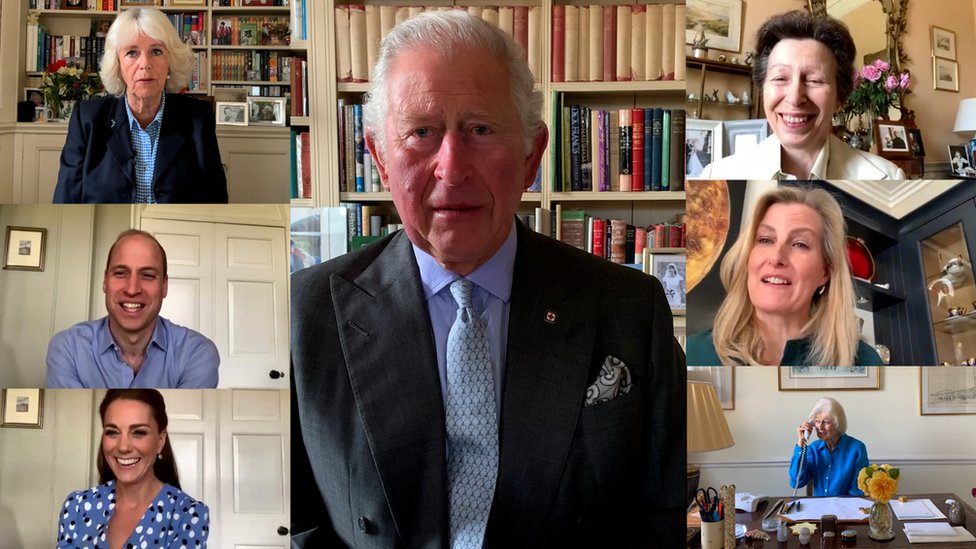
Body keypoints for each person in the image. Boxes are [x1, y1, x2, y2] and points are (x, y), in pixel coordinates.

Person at [290, 11, 684, 547]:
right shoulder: (303, 312)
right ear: (381, 159)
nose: (452, 167)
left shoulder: (630, 308)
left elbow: (657, 517)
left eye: (480, 129)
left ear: (531, 156)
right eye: (422, 132)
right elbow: (299, 524)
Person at [687, 186, 883, 366]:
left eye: (800, 244)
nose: (776, 257)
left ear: (825, 272)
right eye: (765, 239)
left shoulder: (864, 360)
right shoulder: (692, 353)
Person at [696, 11, 905, 180]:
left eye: (814, 80)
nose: (795, 97)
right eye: (780, 78)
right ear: (762, 89)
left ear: (840, 98)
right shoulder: (717, 177)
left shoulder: (887, 178)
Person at [54, 7, 228, 203]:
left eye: (156, 51)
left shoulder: (198, 118)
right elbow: (65, 199)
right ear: (117, 64)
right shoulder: (87, 119)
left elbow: (215, 200)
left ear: (170, 61)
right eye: (132, 53)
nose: (145, 64)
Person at [46, 230, 220, 388]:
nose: (132, 289)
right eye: (121, 273)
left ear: (164, 286)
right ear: (105, 281)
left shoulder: (197, 354)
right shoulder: (68, 348)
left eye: (147, 275)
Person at [56, 389, 210, 547]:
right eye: (112, 432)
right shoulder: (77, 507)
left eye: (139, 432)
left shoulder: (189, 515)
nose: (123, 447)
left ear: (160, 441)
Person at [789, 397, 869, 497]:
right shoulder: (813, 449)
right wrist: (801, 444)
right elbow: (796, 482)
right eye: (817, 421)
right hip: (818, 509)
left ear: (837, 424)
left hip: (845, 509)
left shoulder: (857, 449)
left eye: (826, 422)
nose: (820, 427)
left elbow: (857, 491)